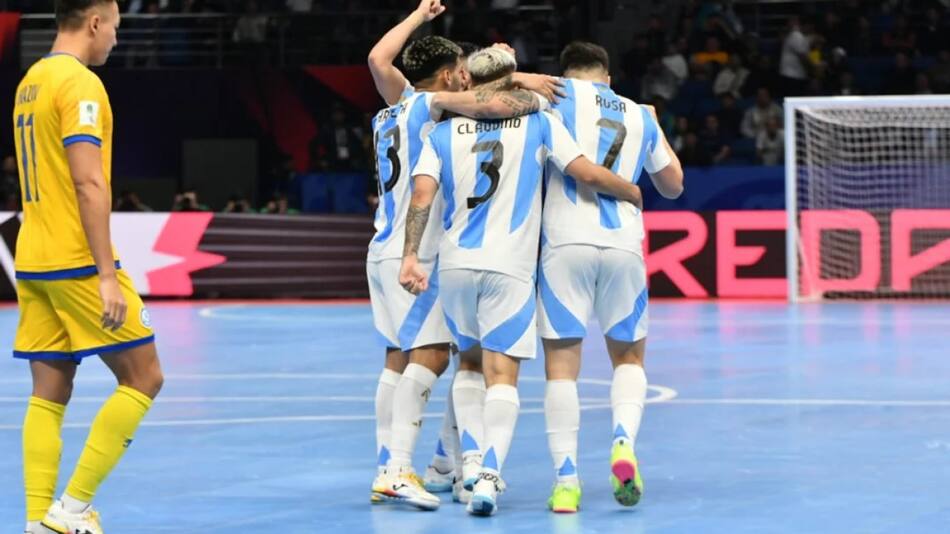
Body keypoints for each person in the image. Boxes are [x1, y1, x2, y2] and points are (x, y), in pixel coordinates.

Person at [399, 46, 645, 517]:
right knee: (502, 377)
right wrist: (630, 190)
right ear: (515, 78)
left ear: (466, 81)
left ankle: (467, 467)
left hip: (454, 265)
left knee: (467, 365)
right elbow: (583, 172)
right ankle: (489, 475)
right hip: (509, 267)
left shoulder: (440, 132)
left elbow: (422, 197)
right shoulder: (538, 121)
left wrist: (411, 256)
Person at [364, 0, 562, 510]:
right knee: (438, 356)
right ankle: (396, 467)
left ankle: (438, 462)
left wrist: (417, 15)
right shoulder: (431, 105)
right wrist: (525, 82)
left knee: (404, 357)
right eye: (459, 74)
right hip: (417, 251)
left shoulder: (393, 108)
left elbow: (376, 60)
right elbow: (492, 104)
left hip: (381, 248)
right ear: (450, 75)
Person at [12, 1, 164, 532]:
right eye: (116, 29)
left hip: (32, 259)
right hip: (75, 259)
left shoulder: (30, 81)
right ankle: (72, 508)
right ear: (95, 22)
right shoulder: (80, 84)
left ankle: (36, 519)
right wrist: (105, 274)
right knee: (145, 376)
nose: (115, 41)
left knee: (49, 391)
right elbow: (88, 182)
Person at [537, 40, 683, 514]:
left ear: (564, 72)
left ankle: (566, 482)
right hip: (623, 244)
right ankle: (623, 442)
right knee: (628, 359)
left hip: (566, 242)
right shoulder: (640, 113)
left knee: (562, 366)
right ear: (608, 76)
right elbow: (674, 185)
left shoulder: (554, 96)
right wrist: (654, 128)